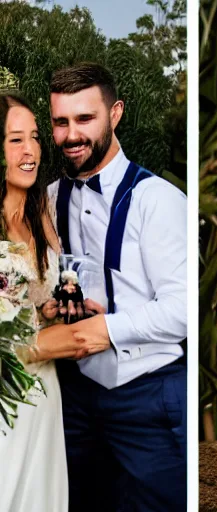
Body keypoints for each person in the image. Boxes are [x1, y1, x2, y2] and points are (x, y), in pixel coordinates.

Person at [46, 63, 187, 512]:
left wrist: (107, 330)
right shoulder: (49, 198)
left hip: (149, 397)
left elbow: (184, 309)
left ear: (115, 113)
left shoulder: (159, 200)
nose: (72, 136)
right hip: (74, 399)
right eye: (61, 122)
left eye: (85, 119)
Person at [0, 92, 103, 512]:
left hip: (44, 393)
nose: (30, 150)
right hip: (7, 395)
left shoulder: (41, 209)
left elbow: (39, 303)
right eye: (14, 140)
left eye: (36, 137)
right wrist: (43, 345)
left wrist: (60, 309)